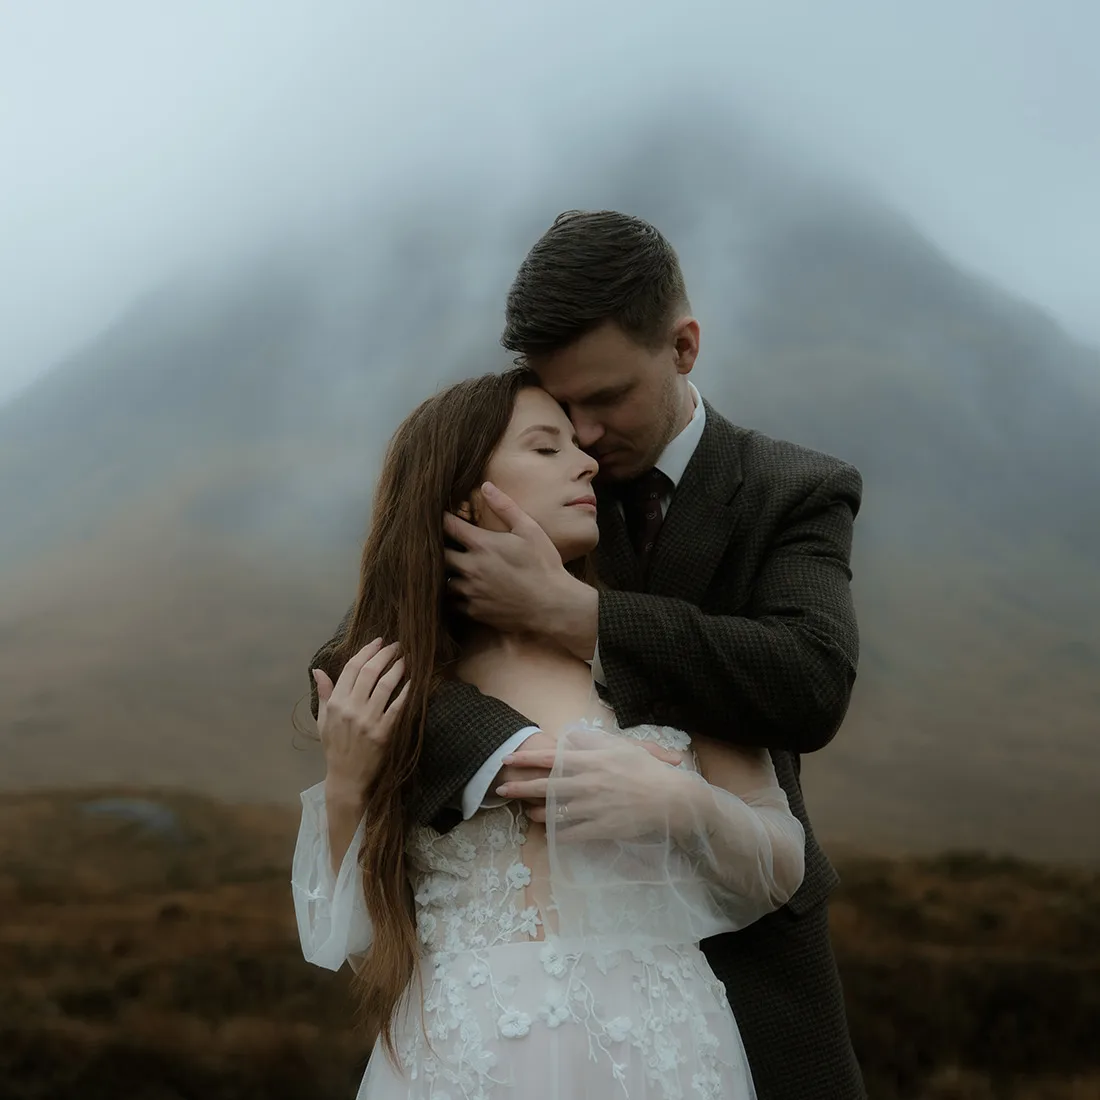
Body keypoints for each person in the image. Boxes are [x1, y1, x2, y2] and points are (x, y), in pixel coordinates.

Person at [309, 210, 866, 1099]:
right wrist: (524, 758)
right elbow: (359, 654)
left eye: (607, 400)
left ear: (683, 347)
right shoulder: (535, 481)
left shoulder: (790, 491)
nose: (590, 440)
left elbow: (809, 682)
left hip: (750, 969)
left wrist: (578, 615)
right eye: (564, 411)